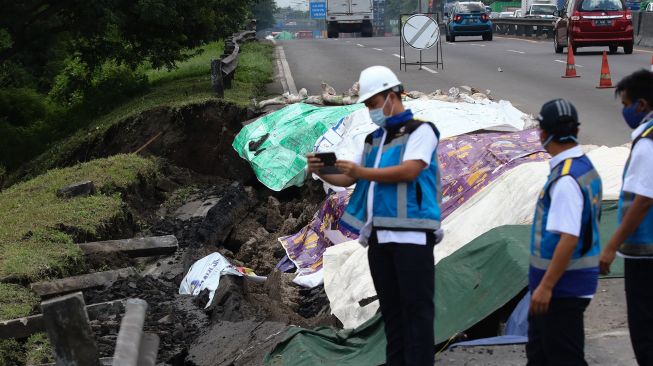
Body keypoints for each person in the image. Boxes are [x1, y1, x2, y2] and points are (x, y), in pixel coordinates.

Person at [306, 65, 442, 366]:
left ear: (392, 96)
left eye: (373, 103)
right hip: (380, 237)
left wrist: (361, 171)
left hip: (413, 236)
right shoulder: (373, 140)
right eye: (367, 105)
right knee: (392, 315)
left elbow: (410, 170)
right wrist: (323, 168)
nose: (371, 110)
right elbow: (349, 178)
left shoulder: (422, 132)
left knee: (417, 313)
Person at [527, 99, 603, 366]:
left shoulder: (566, 180)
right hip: (559, 287)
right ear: (577, 131)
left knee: (564, 358)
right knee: (540, 356)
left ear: (544, 134)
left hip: (562, 289)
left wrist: (546, 287)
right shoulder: (584, 168)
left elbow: (568, 238)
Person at [599, 70, 653, 366]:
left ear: (641, 105)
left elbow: (643, 200)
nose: (624, 111)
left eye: (626, 104)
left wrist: (611, 246)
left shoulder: (646, 144)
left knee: (644, 331)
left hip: (645, 254)